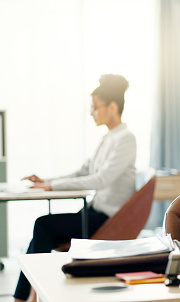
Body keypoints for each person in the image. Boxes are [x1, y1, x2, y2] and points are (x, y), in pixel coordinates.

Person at [13, 74, 136, 302]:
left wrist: (51, 187)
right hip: (92, 213)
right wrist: (45, 182)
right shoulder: (108, 138)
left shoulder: (126, 139)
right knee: (43, 231)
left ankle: (24, 297)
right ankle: (30, 295)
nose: (91, 113)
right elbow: (83, 172)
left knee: (43, 226)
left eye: (95, 107)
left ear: (112, 107)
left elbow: (99, 180)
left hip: (106, 220)